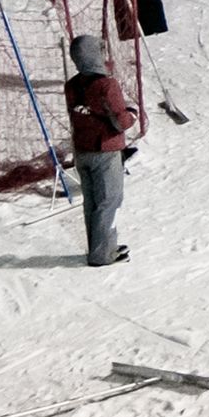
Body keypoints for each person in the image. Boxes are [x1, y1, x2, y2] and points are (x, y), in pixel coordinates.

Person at [66, 34, 137, 267]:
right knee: (110, 201)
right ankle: (103, 253)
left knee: (92, 202)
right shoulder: (107, 85)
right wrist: (133, 114)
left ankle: (100, 246)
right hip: (105, 151)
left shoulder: (72, 85)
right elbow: (120, 121)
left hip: (82, 150)